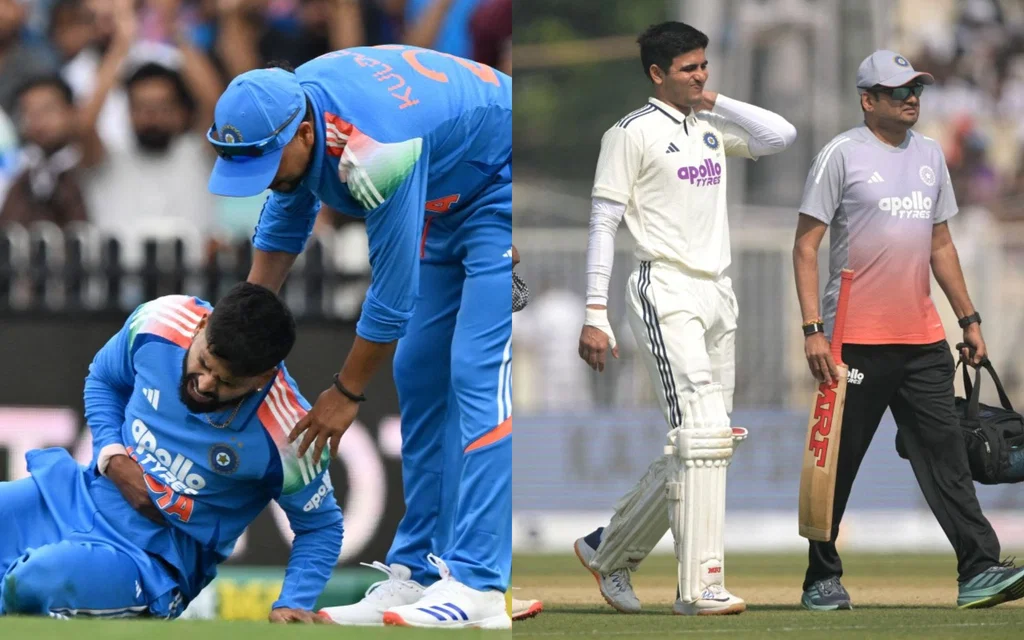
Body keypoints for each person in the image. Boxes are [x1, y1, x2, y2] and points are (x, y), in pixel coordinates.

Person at [204, 47, 511, 629]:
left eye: (267, 162)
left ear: (299, 132)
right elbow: (286, 218)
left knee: (475, 371)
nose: (263, 178)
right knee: (420, 371)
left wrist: (345, 393)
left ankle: (480, 585)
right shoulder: (296, 107)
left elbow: (394, 295)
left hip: (501, 183)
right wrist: (234, 335)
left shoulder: (375, 151)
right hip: (447, 194)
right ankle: (419, 573)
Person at [573, 21, 796, 616]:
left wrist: (711, 100)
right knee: (699, 436)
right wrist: (595, 311)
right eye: (687, 69)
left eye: (704, 66)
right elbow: (603, 224)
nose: (700, 76)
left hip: (718, 292)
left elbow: (781, 135)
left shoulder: (711, 126)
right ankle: (700, 587)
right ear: (656, 74)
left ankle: (609, 548)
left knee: (710, 443)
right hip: (662, 286)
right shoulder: (629, 133)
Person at [792, 49, 1024, 611]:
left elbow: (940, 243)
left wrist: (968, 319)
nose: (911, 99)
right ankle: (821, 578)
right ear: (868, 100)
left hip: (922, 338)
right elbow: (805, 246)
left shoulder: (929, 155)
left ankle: (979, 569)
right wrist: (813, 331)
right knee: (837, 467)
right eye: (898, 92)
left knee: (947, 457)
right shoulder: (840, 155)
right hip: (853, 341)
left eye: (915, 89)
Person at [0, 283, 343, 622]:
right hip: (76, 497)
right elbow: (104, 379)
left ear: (262, 377)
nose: (206, 384)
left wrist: (292, 601)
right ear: (201, 326)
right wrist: (114, 459)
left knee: (36, 582)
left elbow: (321, 527)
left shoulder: (289, 434)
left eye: (227, 382)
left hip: (150, 561)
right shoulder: (160, 321)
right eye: (204, 363)